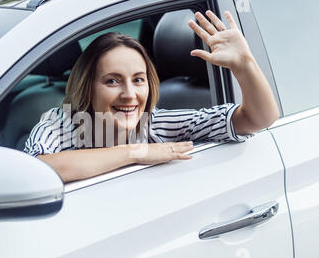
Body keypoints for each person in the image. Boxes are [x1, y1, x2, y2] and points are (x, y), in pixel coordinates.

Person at [23, 11, 280, 183]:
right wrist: (135, 152)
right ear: (87, 86)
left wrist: (244, 64)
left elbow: (259, 118)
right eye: (112, 81)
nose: (129, 94)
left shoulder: (156, 123)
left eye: (138, 80)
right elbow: (37, 172)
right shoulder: (60, 124)